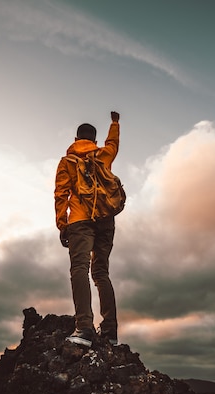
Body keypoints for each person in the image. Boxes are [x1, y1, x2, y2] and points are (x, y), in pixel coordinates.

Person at [54, 111, 120, 347]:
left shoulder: (68, 162)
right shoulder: (103, 155)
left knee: (79, 269)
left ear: (75, 139)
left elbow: (61, 194)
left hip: (80, 221)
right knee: (101, 273)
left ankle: (84, 328)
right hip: (106, 219)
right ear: (94, 140)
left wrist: (62, 224)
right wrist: (115, 123)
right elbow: (113, 144)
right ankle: (110, 332)